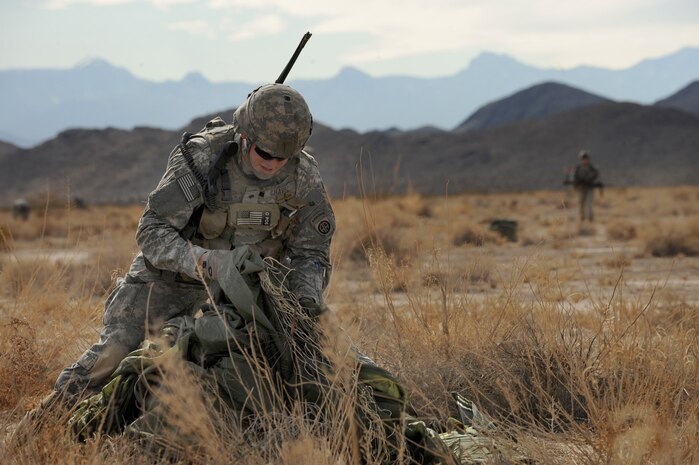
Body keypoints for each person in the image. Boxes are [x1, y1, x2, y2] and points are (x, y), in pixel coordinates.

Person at [51, 83, 336, 406]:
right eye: (265, 153)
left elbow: (310, 253)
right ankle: (49, 417)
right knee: (116, 355)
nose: (273, 164)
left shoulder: (303, 176)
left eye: (283, 157)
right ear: (245, 136)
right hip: (170, 283)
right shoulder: (204, 158)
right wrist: (208, 263)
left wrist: (303, 303)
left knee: (289, 367)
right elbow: (152, 231)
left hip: (243, 297)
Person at [573, 150, 600, 222]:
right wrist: (577, 184)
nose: (585, 160)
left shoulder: (592, 168)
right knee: (581, 204)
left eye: (586, 159)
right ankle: (582, 218)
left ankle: (590, 219)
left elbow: (596, 175)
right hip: (581, 189)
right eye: (583, 159)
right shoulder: (578, 168)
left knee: (589, 203)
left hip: (589, 188)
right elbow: (574, 178)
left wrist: (590, 180)